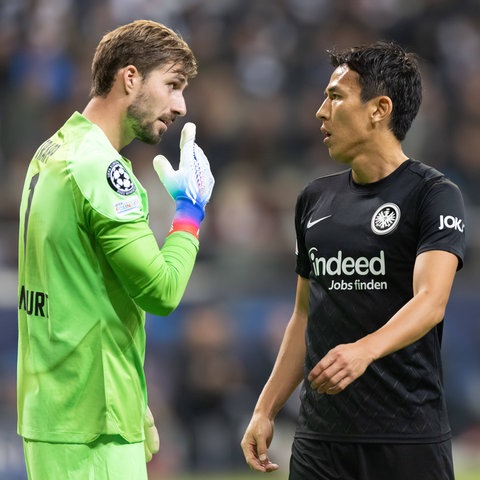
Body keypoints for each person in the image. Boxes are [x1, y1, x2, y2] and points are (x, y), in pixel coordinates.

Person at [241, 41, 466, 480]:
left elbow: (431, 300)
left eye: (335, 96)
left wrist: (364, 350)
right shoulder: (314, 199)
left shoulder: (433, 195)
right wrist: (266, 408)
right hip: (320, 442)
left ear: (379, 109)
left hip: (407, 439)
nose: (320, 112)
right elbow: (304, 315)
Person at [17, 19, 214, 479]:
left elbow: (80, 289)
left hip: (58, 409)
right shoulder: (102, 171)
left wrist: (130, 395)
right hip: (91, 425)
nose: (180, 105)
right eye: (172, 85)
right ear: (130, 78)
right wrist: (190, 211)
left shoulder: (53, 150)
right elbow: (160, 292)